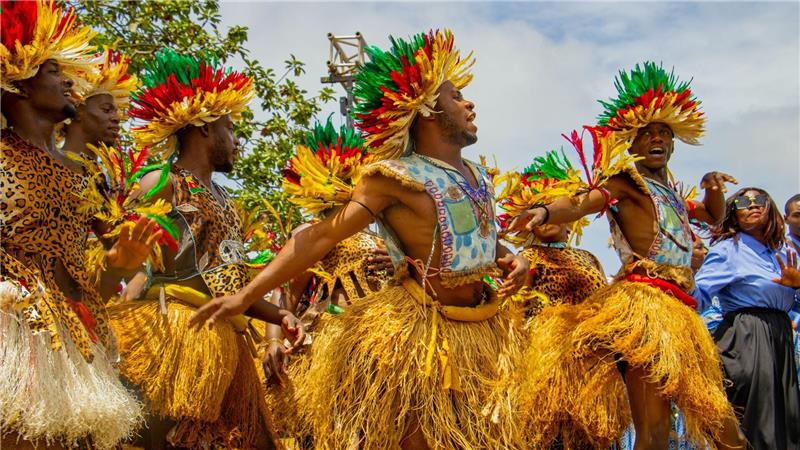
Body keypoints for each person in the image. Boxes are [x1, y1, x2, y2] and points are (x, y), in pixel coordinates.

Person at [192, 29, 529, 450]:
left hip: (486, 334)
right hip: (420, 343)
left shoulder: (478, 175)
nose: (468, 103)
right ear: (425, 108)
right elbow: (317, 238)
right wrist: (246, 297)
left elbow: (482, 238)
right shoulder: (395, 178)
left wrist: (513, 256)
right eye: (455, 95)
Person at [509, 62, 745, 449]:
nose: (657, 139)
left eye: (664, 133)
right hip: (647, 310)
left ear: (673, 142)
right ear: (630, 144)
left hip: (682, 308)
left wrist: (713, 188)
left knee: (720, 425)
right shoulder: (626, 183)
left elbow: (714, 217)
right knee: (652, 430)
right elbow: (583, 202)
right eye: (646, 133)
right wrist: (546, 211)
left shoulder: (671, 195)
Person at [107, 49, 303, 450]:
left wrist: (280, 315)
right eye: (230, 128)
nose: (237, 140)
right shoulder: (159, 184)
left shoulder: (225, 198)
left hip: (224, 343)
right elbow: (120, 262)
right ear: (204, 129)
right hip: (172, 335)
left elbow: (232, 285)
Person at [0, 1, 158, 448]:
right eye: (53, 71)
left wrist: (121, 263)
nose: (69, 81)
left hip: (78, 340)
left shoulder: (85, 175)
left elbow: (95, 283)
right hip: (12, 339)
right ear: (17, 84)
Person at [262, 118, 392, 446]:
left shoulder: (381, 236)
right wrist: (274, 343)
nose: (346, 184)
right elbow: (285, 295)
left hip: (381, 349)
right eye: (339, 177)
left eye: (351, 176)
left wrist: (401, 263)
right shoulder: (311, 234)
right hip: (332, 350)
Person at [693, 187, 800, 449]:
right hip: (747, 339)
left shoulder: (784, 253)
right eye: (744, 201)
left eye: (759, 200)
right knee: (758, 423)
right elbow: (699, 296)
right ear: (733, 214)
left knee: (788, 423)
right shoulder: (729, 250)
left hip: (780, 337)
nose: (752, 205)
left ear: (770, 209)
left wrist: (797, 286)